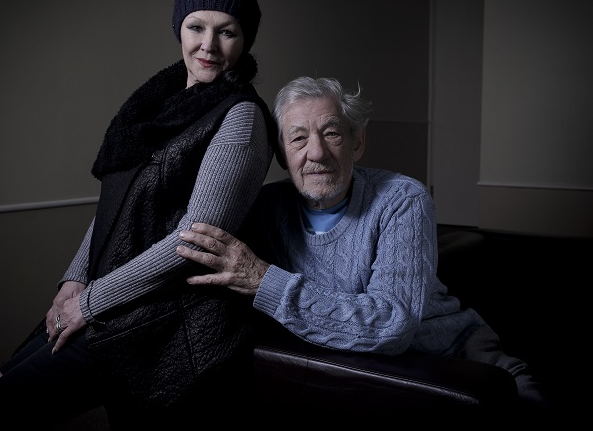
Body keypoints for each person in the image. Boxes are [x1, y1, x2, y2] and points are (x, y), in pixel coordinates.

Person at [0, 0, 278, 430]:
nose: (208, 46)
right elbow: (122, 203)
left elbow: (194, 243)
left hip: (164, 316)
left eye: (227, 31)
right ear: (179, 28)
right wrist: (74, 279)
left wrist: (89, 302)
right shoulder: (158, 104)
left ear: (246, 39)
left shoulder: (240, 117)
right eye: (196, 27)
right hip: (107, 291)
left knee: (3, 403)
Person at [176, 76, 548, 410]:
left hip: (459, 361)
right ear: (283, 155)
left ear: (357, 143)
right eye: (299, 138)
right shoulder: (269, 207)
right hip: (357, 379)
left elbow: (392, 325)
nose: (317, 152)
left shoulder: (402, 199)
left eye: (332, 133)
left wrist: (264, 281)